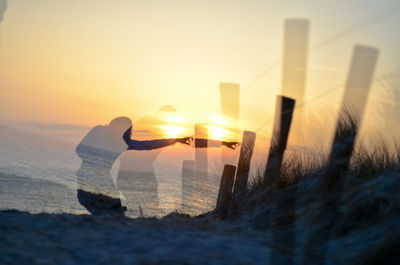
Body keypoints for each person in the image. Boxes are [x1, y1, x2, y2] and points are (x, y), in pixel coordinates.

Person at [75, 116, 132, 216]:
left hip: (104, 179)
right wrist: (96, 162)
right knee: (92, 203)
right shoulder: (99, 131)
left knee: (115, 211)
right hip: (87, 175)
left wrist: (168, 141)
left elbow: (147, 144)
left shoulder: (124, 143)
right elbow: (79, 150)